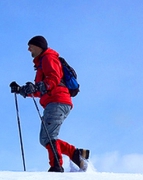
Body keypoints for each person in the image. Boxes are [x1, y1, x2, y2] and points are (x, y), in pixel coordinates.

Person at [10, 35, 90, 172]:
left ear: (39, 46)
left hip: (57, 100)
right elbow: (41, 89)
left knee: (48, 137)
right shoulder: (42, 62)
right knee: (45, 138)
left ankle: (56, 167)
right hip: (56, 101)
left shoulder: (48, 58)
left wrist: (38, 87)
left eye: (31, 46)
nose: (29, 49)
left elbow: (53, 79)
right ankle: (76, 154)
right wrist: (22, 90)